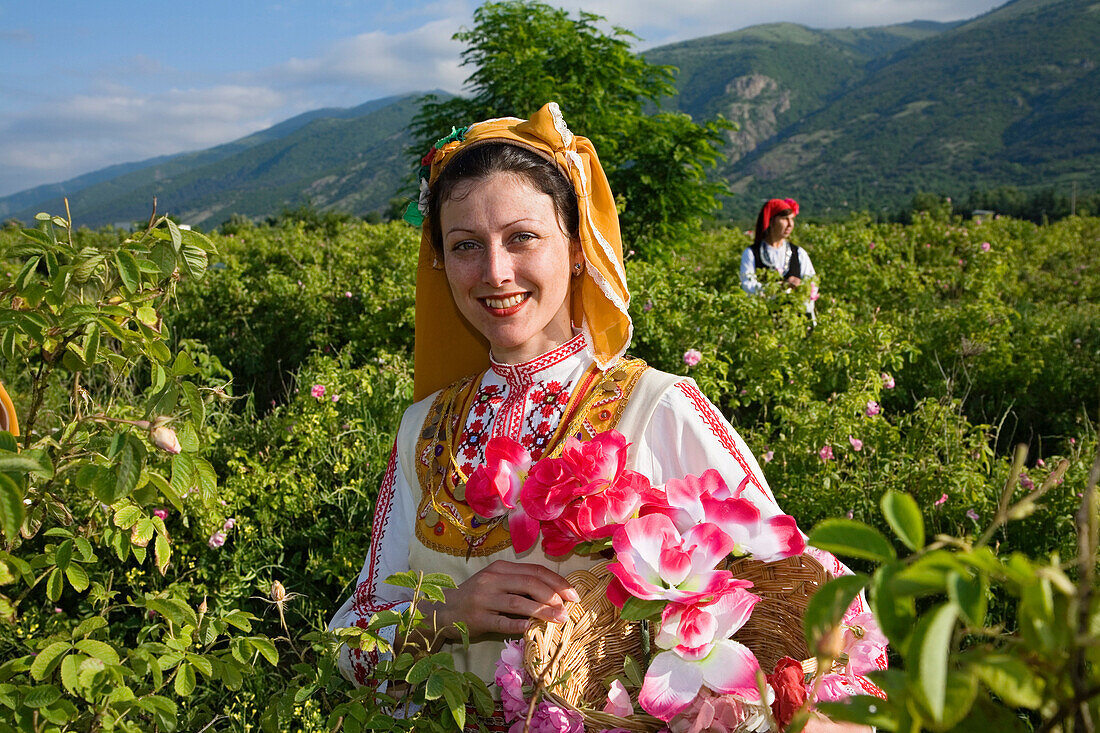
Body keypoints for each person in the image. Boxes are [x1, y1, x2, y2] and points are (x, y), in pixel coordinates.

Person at [329, 103, 882, 725]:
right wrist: (449, 614)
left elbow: (808, 603)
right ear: (442, 265)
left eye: (522, 237)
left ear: (576, 247)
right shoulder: (423, 429)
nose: (494, 270)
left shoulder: (658, 408)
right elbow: (351, 644)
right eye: (465, 246)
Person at [740, 198, 817, 323]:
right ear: (771, 221)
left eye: (792, 219)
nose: (790, 224)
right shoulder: (752, 253)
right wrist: (778, 287)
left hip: (796, 321)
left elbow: (812, 282)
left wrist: (802, 287)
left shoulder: (798, 253)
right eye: (785, 219)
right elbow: (747, 285)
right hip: (764, 321)